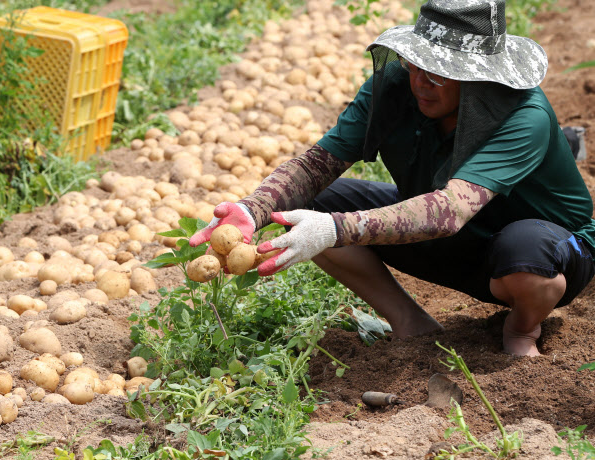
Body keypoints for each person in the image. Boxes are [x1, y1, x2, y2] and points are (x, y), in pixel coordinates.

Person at [190, 0, 595, 357]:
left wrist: (334, 230)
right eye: (414, 64)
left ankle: (522, 328)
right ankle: (410, 321)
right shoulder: (396, 89)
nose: (419, 81)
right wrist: (253, 208)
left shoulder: (525, 116)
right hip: (453, 243)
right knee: (304, 208)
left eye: (437, 74)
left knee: (524, 249)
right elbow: (317, 166)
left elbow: (448, 212)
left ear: (479, 77)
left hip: (540, 254)